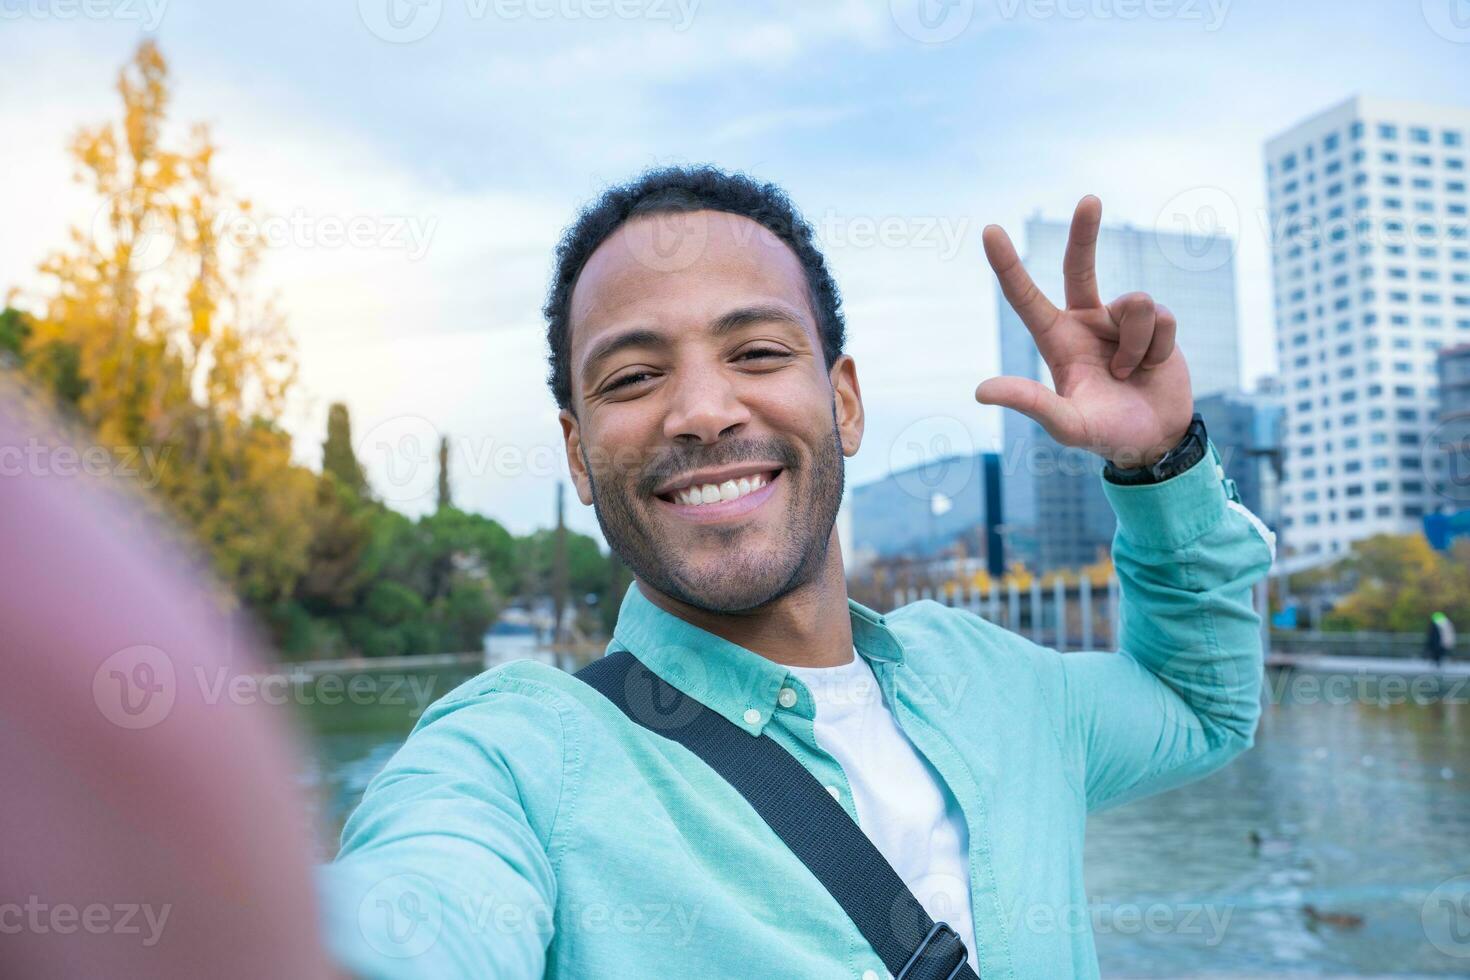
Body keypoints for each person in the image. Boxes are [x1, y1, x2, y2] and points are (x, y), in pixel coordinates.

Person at [316, 166, 1277, 979]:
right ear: (577, 455)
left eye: (759, 352)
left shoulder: (1000, 684)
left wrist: (1162, 467)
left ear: (844, 402)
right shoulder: (515, 761)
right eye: (634, 377)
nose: (701, 410)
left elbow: (1202, 706)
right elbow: (411, 908)